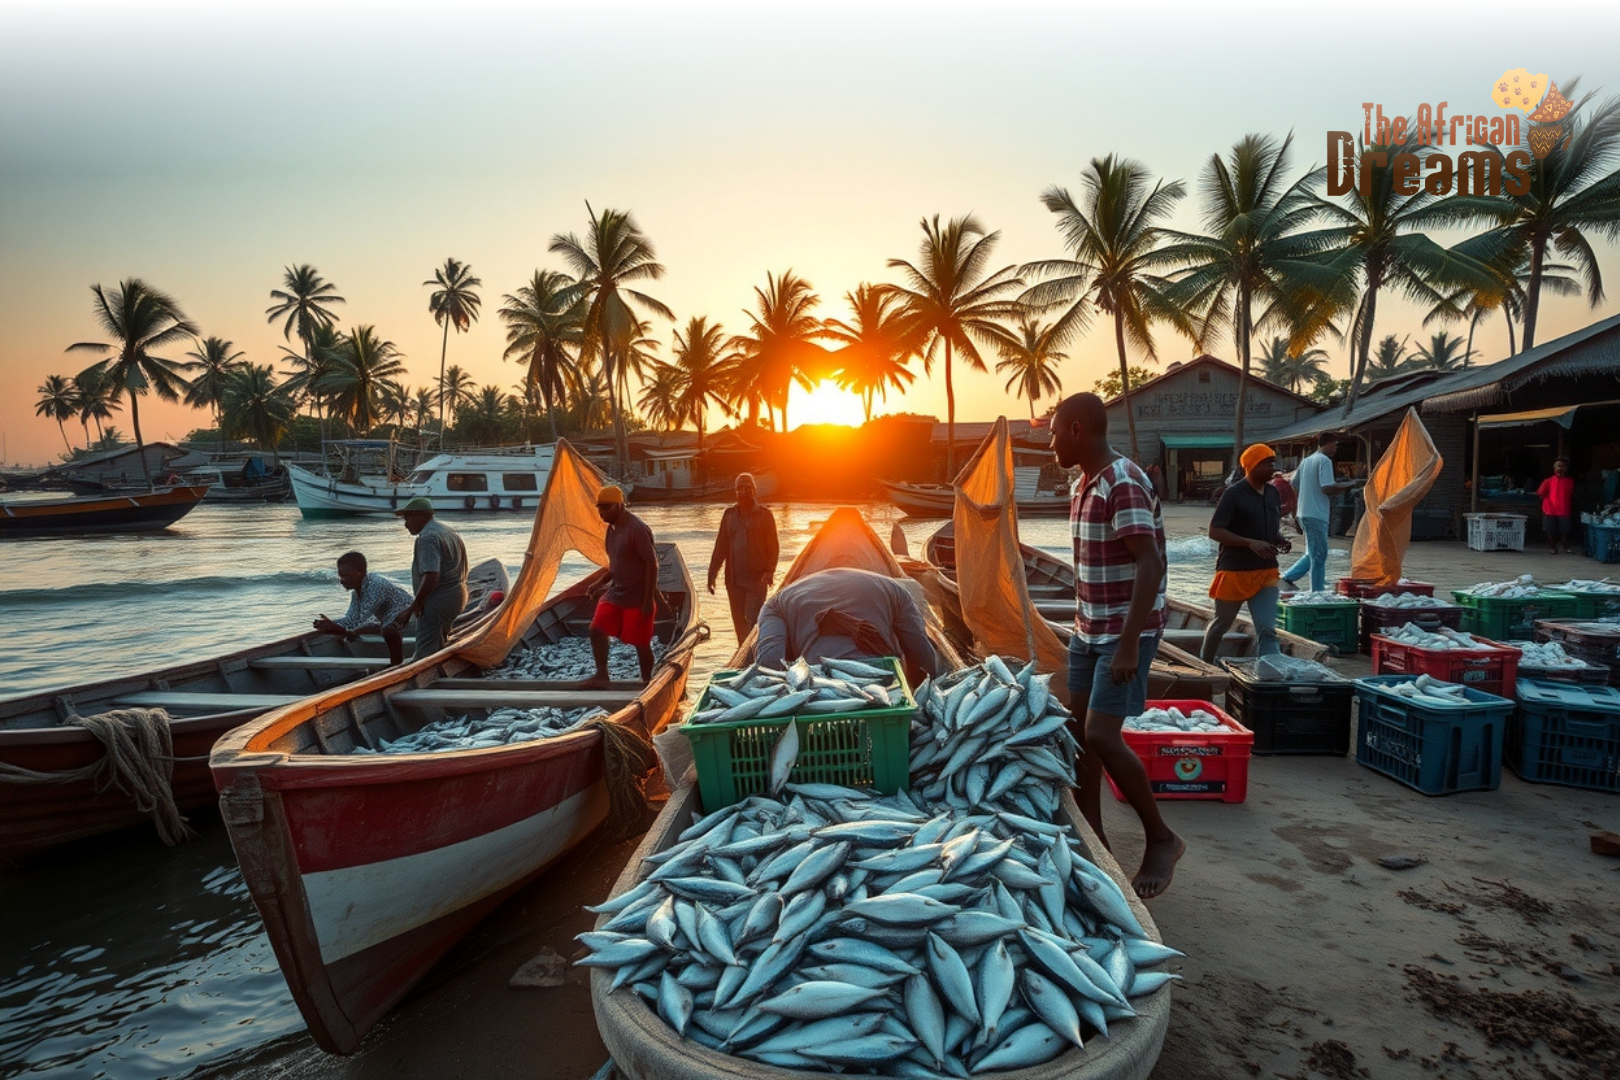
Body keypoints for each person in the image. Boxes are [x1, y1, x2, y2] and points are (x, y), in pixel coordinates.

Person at [1052, 392, 1180, 901]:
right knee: (1079, 737)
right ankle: (1096, 843)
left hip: (1126, 632)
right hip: (1088, 629)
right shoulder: (1082, 483)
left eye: (1056, 431)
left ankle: (1163, 838)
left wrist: (1128, 646)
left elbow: (1148, 564)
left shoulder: (1122, 481)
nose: (1051, 441)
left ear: (1078, 429)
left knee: (1103, 736)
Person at [754, 567, 939, 688]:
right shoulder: (897, 591)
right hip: (879, 683)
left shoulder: (775, 604)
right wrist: (919, 695)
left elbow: (768, 663)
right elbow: (922, 654)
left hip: (816, 688)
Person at [1203, 444, 1291, 663]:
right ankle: (1204, 663)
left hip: (1267, 571)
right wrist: (1249, 543)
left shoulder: (1272, 492)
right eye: (1267, 464)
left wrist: (1279, 539)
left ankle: (1269, 672)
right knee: (1222, 623)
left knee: (1267, 628)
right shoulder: (1233, 494)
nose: (1273, 468)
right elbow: (1215, 530)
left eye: (1273, 463)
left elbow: (1269, 525)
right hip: (1235, 571)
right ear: (1251, 466)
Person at [585, 485, 660, 686]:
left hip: (638, 596)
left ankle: (646, 681)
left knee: (640, 643)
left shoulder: (637, 528)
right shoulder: (611, 530)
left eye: (606, 507)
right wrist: (598, 582)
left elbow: (652, 564)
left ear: (620, 505)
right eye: (599, 507)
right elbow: (616, 564)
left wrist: (648, 599)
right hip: (616, 593)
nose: (602, 512)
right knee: (596, 629)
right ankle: (602, 675)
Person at [389, 497, 469, 662]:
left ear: (421, 516)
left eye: (407, 518)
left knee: (424, 657)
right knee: (439, 646)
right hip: (457, 597)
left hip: (438, 602)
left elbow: (432, 575)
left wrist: (414, 606)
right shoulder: (449, 532)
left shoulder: (428, 537)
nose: (405, 524)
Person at [707, 473, 780, 642]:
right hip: (733, 581)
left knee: (753, 623)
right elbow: (720, 547)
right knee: (739, 626)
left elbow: (773, 547)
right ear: (735, 491)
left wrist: (770, 571)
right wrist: (712, 574)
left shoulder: (765, 515)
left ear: (754, 490)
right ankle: (743, 659)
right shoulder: (729, 515)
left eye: (747, 487)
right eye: (740, 488)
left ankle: (755, 658)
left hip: (757, 580)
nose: (744, 491)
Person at [313, 551, 412, 666]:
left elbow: (359, 621)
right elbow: (350, 620)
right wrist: (329, 624)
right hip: (391, 624)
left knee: (384, 629)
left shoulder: (376, 584)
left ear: (359, 573)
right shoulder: (356, 594)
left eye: (345, 575)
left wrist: (337, 628)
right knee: (372, 628)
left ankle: (397, 667)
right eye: (340, 576)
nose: (341, 580)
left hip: (410, 621)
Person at [1282, 432, 1349, 592]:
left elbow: (1294, 483)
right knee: (1319, 555)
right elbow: (1326, 487)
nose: (1335, 448)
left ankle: (1287, 578)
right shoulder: (1324, 460)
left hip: (1305, 512)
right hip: (1317, 513)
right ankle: (1317, 591)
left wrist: (1296, 510)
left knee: (1313, 552)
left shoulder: (1306, 461)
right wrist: (1346, 486)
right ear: (1326, 444)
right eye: (1334, 445)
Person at [1538, 458, 1576, 554]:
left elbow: (1572, 494)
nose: (1559, 467)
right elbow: (1540, 493)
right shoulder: (1548, 481)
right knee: (1549, 530)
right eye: (1557, 465)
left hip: (1564, 509)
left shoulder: (1570, 482)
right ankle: (1552, 547)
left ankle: (1565, 546)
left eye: (1562, 465)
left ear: (1566, 468)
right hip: (1549, 509)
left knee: (1565, 530)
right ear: (1554, 467)